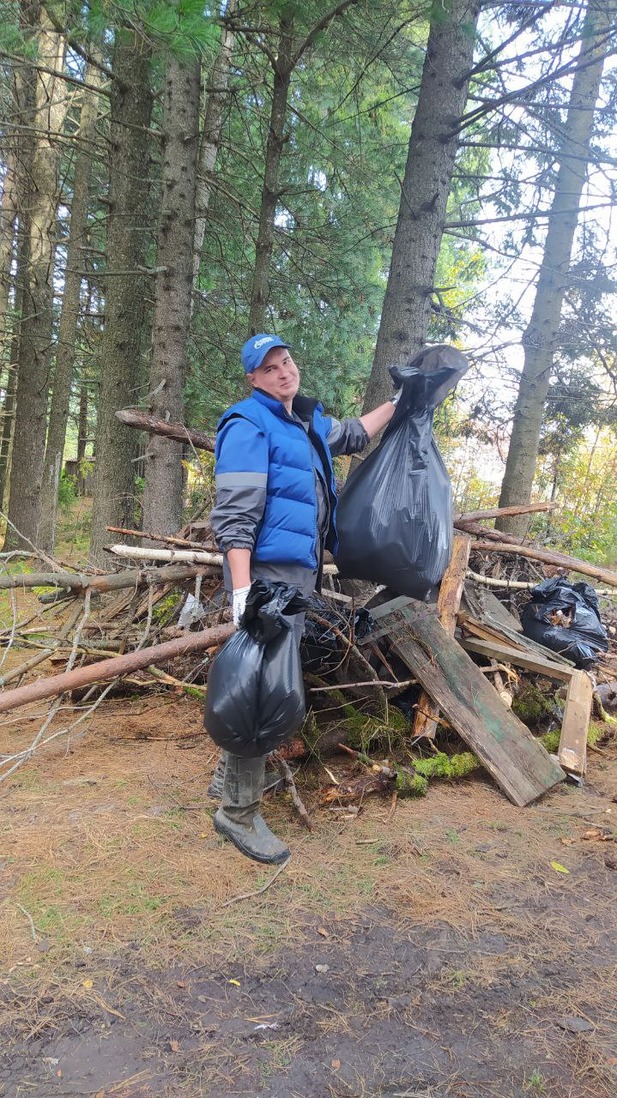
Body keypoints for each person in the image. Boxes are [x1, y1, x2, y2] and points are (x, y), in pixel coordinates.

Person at [208, 333, 400, 865]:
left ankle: (228, 779)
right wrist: (243, 590)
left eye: (287, 361)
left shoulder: (306, 420)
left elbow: (354, 434)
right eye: (270, 369)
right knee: (262, 690)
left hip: (297, 572)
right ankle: (237, 811)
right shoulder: (248, 424)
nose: (283, 372)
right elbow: (235, 514)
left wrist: (399, 403)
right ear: (254, 380)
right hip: (266, 575)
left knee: (259, 677)